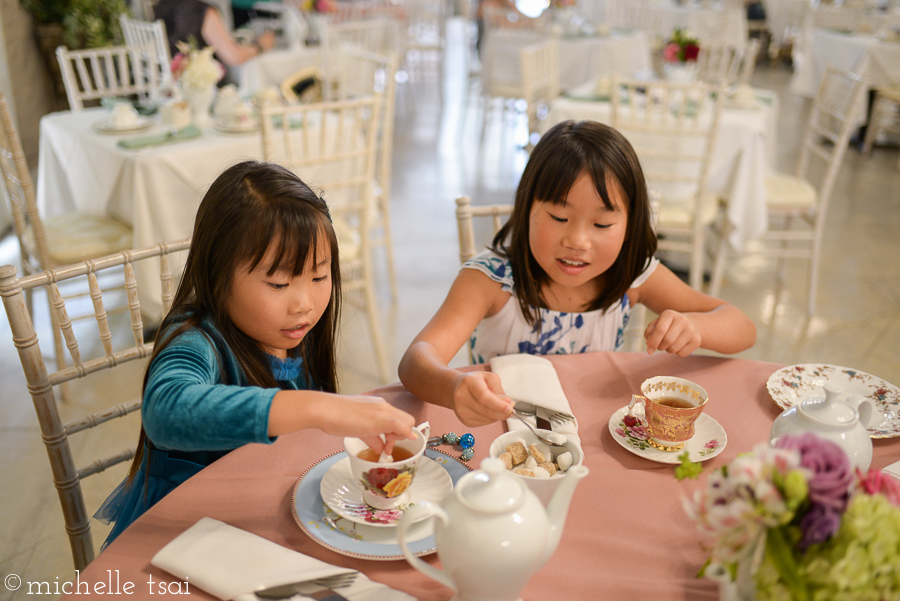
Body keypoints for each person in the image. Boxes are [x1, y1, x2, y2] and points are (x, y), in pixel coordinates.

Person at [95, 161, 415, 545]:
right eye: (278, 283)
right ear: (217, 273)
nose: (304, 304)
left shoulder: (289, 331)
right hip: (185, 536)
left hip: (262, 516)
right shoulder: (196, 339)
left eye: (319, 276)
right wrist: (321, 408)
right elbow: (166, 410)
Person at [398, 120, 757, 428]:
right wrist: (454, 387)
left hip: (594, 433)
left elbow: (742, 327)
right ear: (526, 209)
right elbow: (416, 360)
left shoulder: (633, 277)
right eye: (558, 218)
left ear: (630, 225)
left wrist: (696, 327)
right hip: (502, 435)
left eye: (602, 223)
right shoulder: (490, 280)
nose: (578, 241)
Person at [153, 0, 276, 67]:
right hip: (201, 94)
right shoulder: (199, 10)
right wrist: (261, 45)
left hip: (171, 88)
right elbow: (234, 57)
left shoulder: (161, 5)